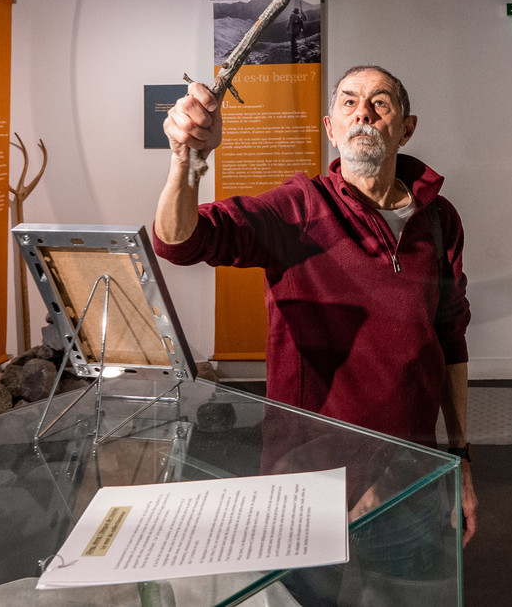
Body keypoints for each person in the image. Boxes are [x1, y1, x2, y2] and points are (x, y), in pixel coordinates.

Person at [152, 64, 478, 549]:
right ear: (331, 128)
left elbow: (450, 340)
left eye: (380, 102)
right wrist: (185, 161)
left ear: (406, 128)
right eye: (347, 102)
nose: (362, 112)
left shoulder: (439, 220)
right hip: (307, 476)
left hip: (408, 472)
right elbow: (179, 242)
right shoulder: (297, 210)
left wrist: (461, 458)